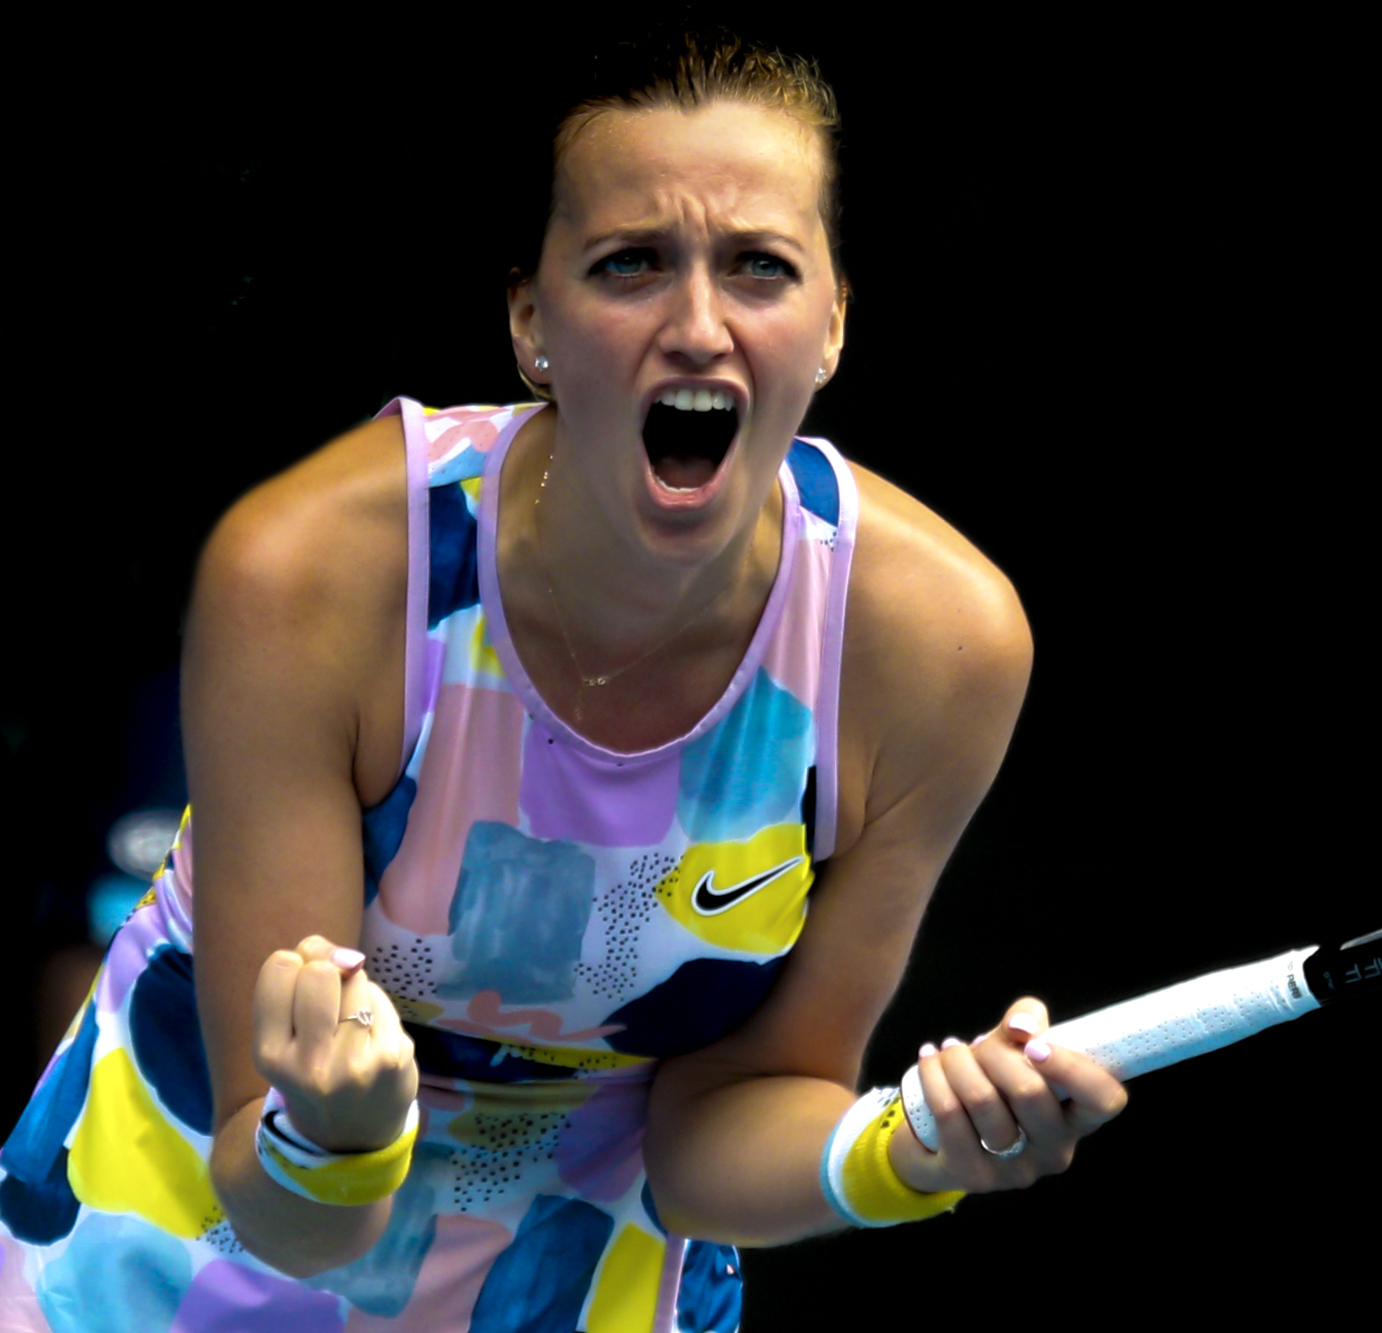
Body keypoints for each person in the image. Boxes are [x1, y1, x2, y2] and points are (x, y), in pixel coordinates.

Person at [0, 27, 1127, 1330]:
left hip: (581, 1291)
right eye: (630, 263)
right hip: (174, 1257)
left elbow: (722, 1130)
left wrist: (908, 1151)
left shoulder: (936, 647)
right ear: (532, 321)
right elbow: (284, 1202)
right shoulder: (317, 574)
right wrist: (337, 1131)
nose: (697, 325)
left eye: (760, 267)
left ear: (831, 325)